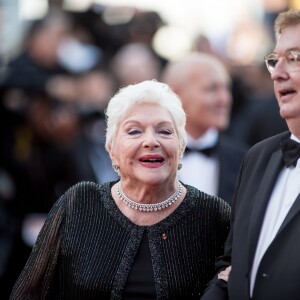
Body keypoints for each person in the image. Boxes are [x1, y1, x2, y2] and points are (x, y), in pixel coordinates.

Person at [9, 80, 230, 299]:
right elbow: (30, 294)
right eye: (134, 132)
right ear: (111, 149)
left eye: (164, 131)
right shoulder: (78, 204)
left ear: (181, 147)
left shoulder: (213, 215)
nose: (150, 141)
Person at [201, 9, 300, 300]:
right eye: (275, 60)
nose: (278, 73)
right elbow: (231, 265)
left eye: (294, 58)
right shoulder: (258, 157)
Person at [162, 53, 248, 205]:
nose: (225, 99)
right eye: (211, 89)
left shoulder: (246, 160)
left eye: (226, 88)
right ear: (175, 95)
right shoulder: (147, 159)